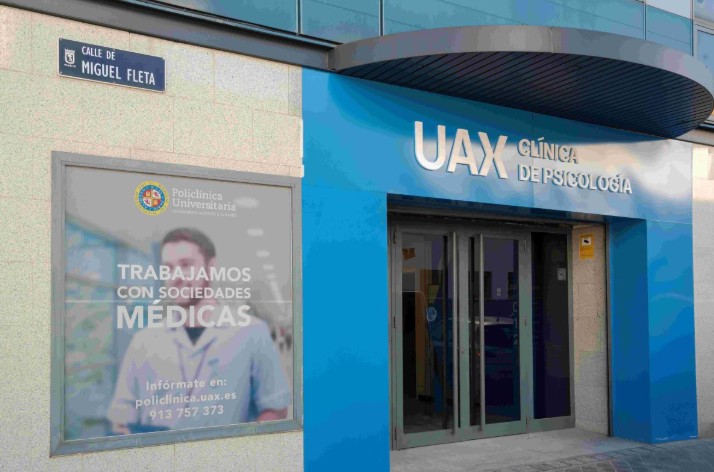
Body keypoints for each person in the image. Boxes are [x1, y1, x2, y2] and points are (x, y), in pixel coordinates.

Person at [107, 228, 291, 434]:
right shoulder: (144, 341)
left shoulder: (252, 332)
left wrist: (243, 445)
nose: (175, 276)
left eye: (186, 265)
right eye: (168, 268)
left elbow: (275, 407)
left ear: (211, 267)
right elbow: (121, 417)